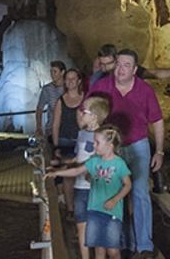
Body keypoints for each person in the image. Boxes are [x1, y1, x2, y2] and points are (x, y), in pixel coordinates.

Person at [86, 49, 164, 258]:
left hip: (138, 145)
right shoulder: (102, 86)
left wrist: (159, 151)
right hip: (112, 147)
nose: (120, 69)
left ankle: (144, 245)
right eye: (118, 64)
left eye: (126, 65)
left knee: (139, 193)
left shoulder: (145, 90)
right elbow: (87, 110)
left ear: (135, 70)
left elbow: (157, 120)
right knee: (113, 194)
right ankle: (119, 241)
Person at [47, 124, 132, 259]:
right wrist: (57, 173)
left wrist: (115, 199)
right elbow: (77, 170)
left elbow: (127, 185)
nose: (93, 146)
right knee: (98, 247)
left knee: (113, 250)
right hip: (94, 209)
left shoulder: (119, 164)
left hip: (112, 213)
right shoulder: (94, 161)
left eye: (97, 143)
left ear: (110, 145)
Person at [53, 95, 111, 259]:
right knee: (82, 228)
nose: (80, 114)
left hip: (97, 190)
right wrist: (63, 163)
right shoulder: (81, 134)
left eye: (83, 111)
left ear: (93, 116)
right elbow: (79, 157)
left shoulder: (104, 137)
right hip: (80, 188)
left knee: (98, 229)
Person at [51, 68, 85, 211]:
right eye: (68, 79)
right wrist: (55, 146)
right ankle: (70, 209)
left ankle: (82, 207)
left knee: (83, 175)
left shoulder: (85, 99)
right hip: (65, 142)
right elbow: (56, 124)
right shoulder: (61, 101)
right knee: (68, 176)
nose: (70, 81)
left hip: (81, 142)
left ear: (78, 81)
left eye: (73, 78)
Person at [90, 43, 170, 84]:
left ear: (117, 60)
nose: (104, 67)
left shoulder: (128, 72)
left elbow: (153, 74)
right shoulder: (98, 77)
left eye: (108, 64)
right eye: (102, 64)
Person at [35, 60, 66, 140]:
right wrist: (39, 127)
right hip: (51, 128)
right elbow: (39, 108)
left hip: (66, 129)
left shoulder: (68, 88)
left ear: (62, 72)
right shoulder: (47, 89)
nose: (52, 74)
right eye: (51, 71)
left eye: (55, 71)